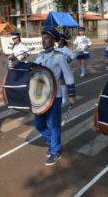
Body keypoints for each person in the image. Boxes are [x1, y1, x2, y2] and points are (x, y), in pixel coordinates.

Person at [34, 27, 76, 166]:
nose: (43, 40)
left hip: (55, 95)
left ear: (53, 41)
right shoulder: (39, 57)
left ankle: (55, 151)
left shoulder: (59, 57)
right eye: (43, 38)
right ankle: (54, 143)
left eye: (46, 38)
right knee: (39, 124)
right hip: (40, 97)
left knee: (54, 125)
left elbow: (69, 76)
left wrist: (71, 95)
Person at [55, 34, 76, 105]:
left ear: (63, 41)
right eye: (57, 40)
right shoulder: (55, 49)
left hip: (64, 68)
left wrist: (67, 61)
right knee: (59, 83)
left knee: (62, 82)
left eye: (60, 40)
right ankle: (62, 96)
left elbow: (73, 55)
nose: (58, 42)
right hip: (57, 68)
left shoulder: (66, 49)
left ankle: (64, 97)